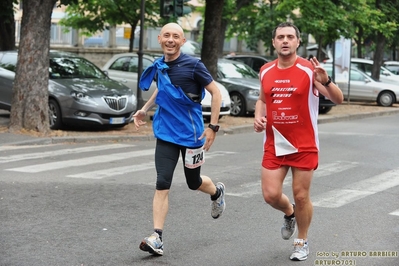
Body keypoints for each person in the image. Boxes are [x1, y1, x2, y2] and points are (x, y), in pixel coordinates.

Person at [133, 22, 226, 256]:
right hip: (165, 132)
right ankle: (157, 237)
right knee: (162, 181)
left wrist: (213, 126)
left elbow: (216, 93)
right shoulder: (160, 65)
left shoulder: (193, 65)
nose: (171, 40)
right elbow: (162, 89)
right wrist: (145, 109)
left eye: (176, 36)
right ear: (160, 39)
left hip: (191, 134)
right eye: (166, 35)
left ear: (182, 41)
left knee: (193, 182)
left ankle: (216, 192)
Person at [253, 22, 343, 261]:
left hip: (304, 144)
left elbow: (339, 99)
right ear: (274, 42)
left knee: (301, 195)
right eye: (280, 37)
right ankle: (289, 212)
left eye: (290, 37)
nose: (285, 40)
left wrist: (326, 81)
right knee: (271, 195)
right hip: (274, 143)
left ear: (297, 41)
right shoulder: (265, 70)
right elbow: (262, 99)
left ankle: (301, 240)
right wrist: (258, 116)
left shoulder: (309, 70)